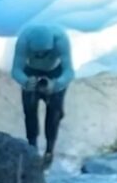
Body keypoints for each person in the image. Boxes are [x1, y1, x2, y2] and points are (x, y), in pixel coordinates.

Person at [11, 21, 73, 164]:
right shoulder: (23, 40)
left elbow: (69, 71)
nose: (40, 55)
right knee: (30, 110)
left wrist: (57, 84)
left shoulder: (61, 40)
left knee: (54, 113)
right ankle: (32, 145)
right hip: (30, 72)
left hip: (55, 73)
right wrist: (25, 81)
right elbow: (16, 70)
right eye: (37, 53)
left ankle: (49, 149)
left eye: (44, 53)